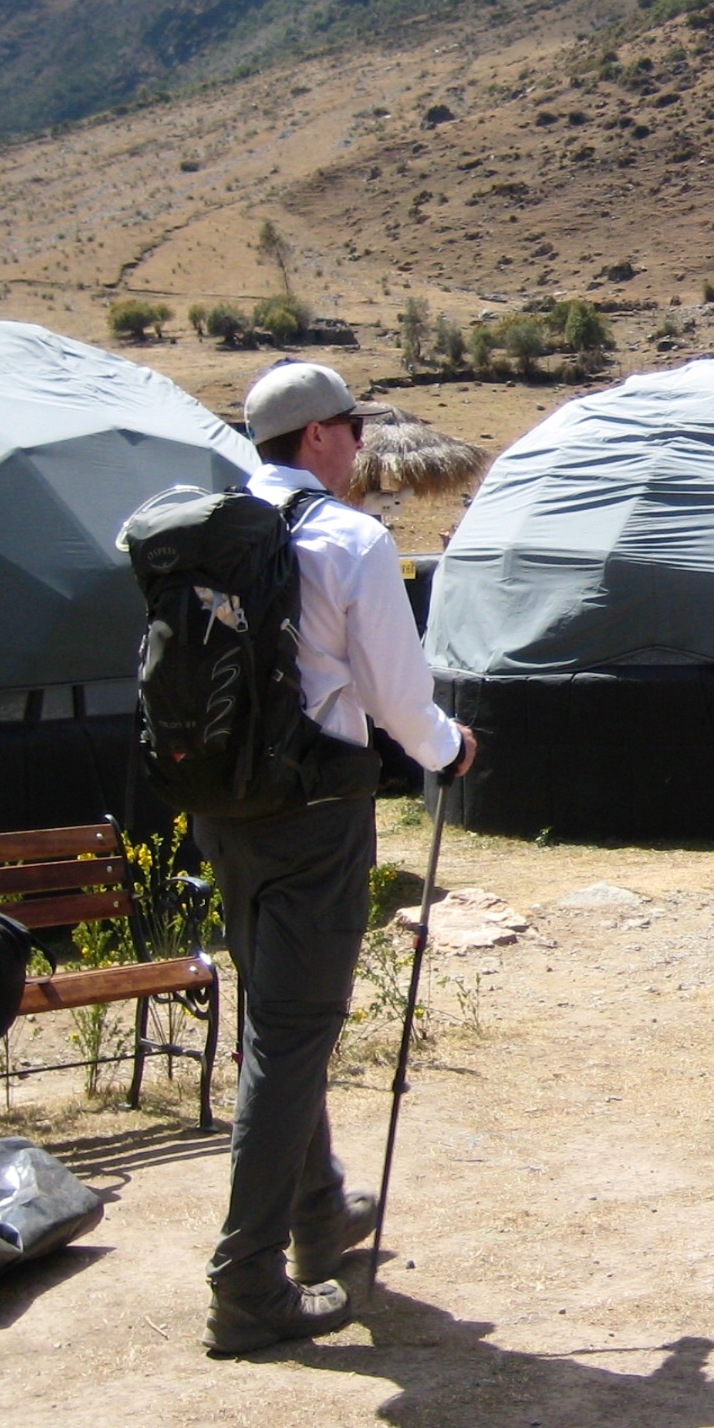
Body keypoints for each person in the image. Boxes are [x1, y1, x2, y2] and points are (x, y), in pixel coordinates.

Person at [199, 360, 477, 1355]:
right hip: (315, 807)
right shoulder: (347, 539)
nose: (362, 442)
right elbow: (400, 697)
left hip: (221, 805)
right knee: (292, 1030)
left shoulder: (210, 532)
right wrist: (448, 747)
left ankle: (319, 1216)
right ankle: (246, 1283)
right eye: (352, 425)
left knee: (278, 1016)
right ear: (317, 437)